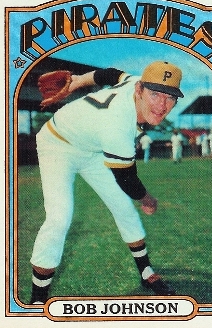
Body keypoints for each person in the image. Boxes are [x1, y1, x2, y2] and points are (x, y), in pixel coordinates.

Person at [30, 61, 184, 304]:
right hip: (57, 144)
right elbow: (127, 179)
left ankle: (146, 273)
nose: (162, 105)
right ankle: (37, 299)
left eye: (170, 97)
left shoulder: (133, 81)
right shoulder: (118, 126)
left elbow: (111, 74)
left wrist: (79, 80)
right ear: (139, 90)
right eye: (155, 94)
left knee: (124, 210)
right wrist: (148, 199)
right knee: (59, 218)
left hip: (92, 148)